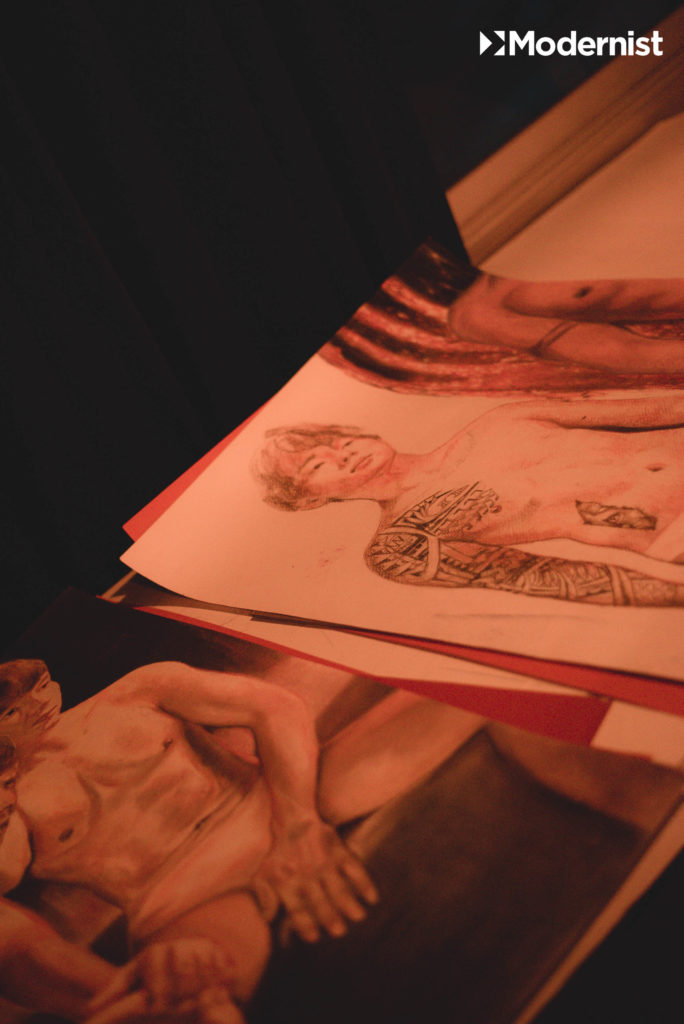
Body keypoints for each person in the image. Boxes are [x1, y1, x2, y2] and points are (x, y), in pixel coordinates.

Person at [0, 657, 484, 1021]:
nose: (37, 707)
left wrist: (297, 823)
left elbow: (273, 707)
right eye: (14, 711)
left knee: (472, 688)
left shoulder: (137, 690)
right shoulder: (13, 804)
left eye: (39, 688)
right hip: (186, 898)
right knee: (194, 996)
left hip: (279, 804)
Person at [254, 393, 684, 606]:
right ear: (308, 501)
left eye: (338, 439)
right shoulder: (400, 542)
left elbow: (659, 410)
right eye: (316, 464)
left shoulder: (501, 420)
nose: (342, 453)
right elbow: (551, 578)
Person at [318, 242, 684, 395]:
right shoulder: (470, 318)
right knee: (571, 317)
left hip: (438, 277)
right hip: (418, 307)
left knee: (593, 295)